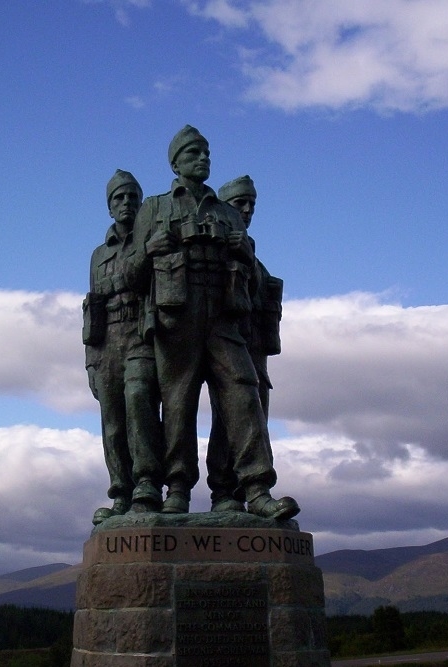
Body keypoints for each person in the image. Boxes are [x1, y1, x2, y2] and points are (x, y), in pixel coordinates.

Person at [127, 126, 299, 520]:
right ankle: (177, 489)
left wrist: (246, 254)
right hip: (177, 316)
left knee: (243, 392)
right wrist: (150, 251)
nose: (202, 158)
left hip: (223, 318)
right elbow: (133, 277)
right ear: (175, 162)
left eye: (206, 153)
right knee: (178, 404)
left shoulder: (226, 213)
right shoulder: (153, 208)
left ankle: (254, 488)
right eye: (192, 153)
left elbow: (254, 285)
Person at [83, 170, 164, 525]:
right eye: (119, 197)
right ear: (109, 206)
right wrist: (90, 362)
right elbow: (92, 306)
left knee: (139, 400)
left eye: (132, 196)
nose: (126, 203)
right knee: (113, 422)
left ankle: (148, 483)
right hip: (106, 344)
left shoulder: (152, 238)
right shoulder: (98, 254)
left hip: (141, 336)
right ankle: (121, 492)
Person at [205, 175, 283, 512]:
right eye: (240, 203)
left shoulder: (253, 257)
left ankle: (232, 494)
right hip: (219, 339)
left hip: (253, 351)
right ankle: (226, 489)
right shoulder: (214, 249)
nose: (248, 209)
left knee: (242, 418)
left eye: (252, 203)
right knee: (234, 408)